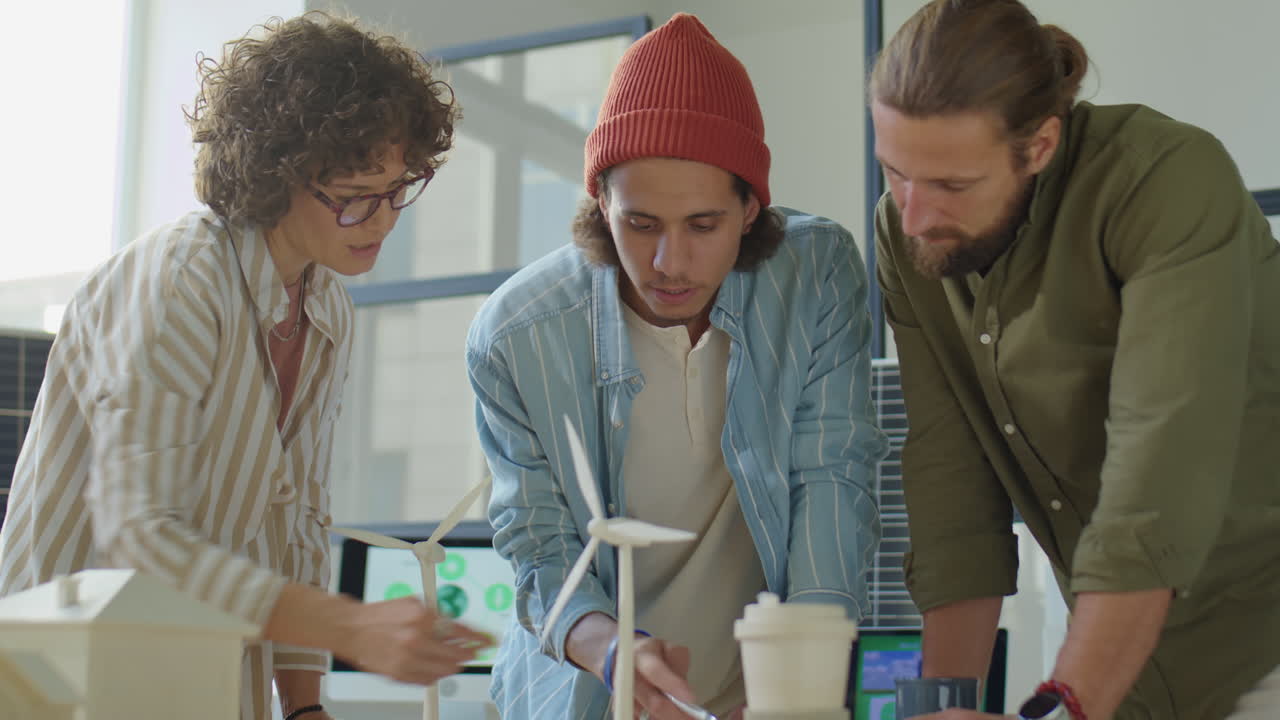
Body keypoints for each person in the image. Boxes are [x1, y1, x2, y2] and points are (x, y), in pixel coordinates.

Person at [0, 13, 488, 720]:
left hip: (198, 672)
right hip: (65, 680)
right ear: (277, 173)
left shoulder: (325, 308)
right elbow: (138, 533)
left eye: (396, 191)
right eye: (354, 199)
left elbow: (298, 526)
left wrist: (304, 705)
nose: (382, 222)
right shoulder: (182, 278)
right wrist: (352, 627)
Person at [467, 13, 887, 720]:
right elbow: (537, 545)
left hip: (763, 692)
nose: (669, 264)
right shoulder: (515, 335)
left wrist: (805, 689)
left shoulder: (815, 274)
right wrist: (610, 652)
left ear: (751, 207)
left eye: (702, 225)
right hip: (587, 691)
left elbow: (832, 475)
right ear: (601, 202)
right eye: (640, 224)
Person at [869, 1, 1280, 718]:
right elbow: (950, 479)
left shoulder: (1165, 181)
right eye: (896, 173)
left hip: (1257, 644)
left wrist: (1066, 704)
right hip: (1107, 656)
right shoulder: (908, 234)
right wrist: (937, 704)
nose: (914, 216)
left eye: (951, 186)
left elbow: (1160, 472)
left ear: (1041, 145)